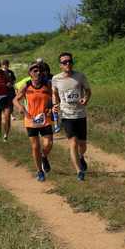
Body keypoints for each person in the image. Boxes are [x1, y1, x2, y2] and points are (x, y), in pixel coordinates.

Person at [52, 52, 91, 181]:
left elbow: (88, 91)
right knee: (73, 142)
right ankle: (79, 171)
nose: (67, 64)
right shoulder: (56, 79)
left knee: (82, 144)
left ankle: (81, 156)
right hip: (66, 115)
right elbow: (54, 93)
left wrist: (85, 99)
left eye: (69, 61)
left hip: (80, 114)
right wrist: (55, 105)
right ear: (60, 65)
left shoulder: (80, 76)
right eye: (64, 62)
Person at [13, 62, 53, 182]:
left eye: (39, 70)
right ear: (30, 73)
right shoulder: (26, 85)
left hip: (45, 118)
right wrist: (21, 108)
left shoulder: (47, 84)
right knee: (35, 146)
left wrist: (51, 107)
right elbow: (15, 99)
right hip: (31, 120)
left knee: (48, 144)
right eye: (35, 71)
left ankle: (44, 156)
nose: (38, 72)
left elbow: (55, 98)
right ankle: (39, 171)